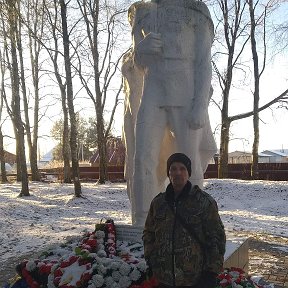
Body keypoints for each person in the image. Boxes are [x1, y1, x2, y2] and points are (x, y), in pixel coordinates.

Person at [129, 0, 217, 226]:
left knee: (190, 162)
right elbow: (138, 62)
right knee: (143, 158)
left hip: (185, 93)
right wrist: (142, 50)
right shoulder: (145, 13)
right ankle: (142, 221)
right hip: (153, 92)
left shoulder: (196, 11)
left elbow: (203, 63)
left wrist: (200, 104)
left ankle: (194, 220)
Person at [143, 153, 226, 288]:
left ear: (188, 173)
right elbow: (149, 233)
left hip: (194, 279)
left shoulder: (204, 202)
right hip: (164, 278)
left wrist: (211, 273)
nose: (177, 173)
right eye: (173, 169)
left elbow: (216, 238)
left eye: (182, 168)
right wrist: (151, 259)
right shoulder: (158, 203)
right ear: (168, 173)